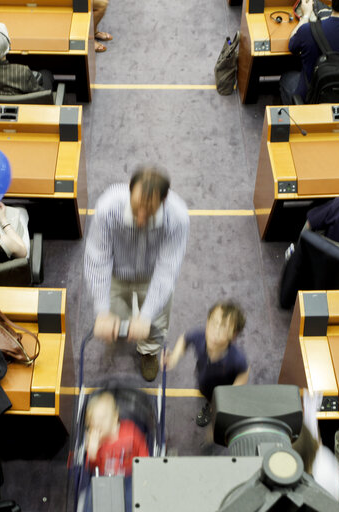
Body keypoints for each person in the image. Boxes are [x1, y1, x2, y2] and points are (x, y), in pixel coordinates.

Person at [84, 167, 190, 382]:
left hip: (152, 276)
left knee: (155, 322)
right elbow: (98, 259)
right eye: (136, 209)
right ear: (129, 192)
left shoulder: (177, 218)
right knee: (116, 319)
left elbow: (167, 269)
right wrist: (103, 312)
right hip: (116, 273)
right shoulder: (108, 208)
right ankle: (120, 332)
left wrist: (146, 315)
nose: (141, 218)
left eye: (148, 211)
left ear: (163, 200)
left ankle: (149, 352)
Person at [165, 301, 249, 427]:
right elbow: (185, 339)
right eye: (214, 323)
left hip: (220, 390)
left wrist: (228, 398)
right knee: (203, 389)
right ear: (207, 321)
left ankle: (211, 410)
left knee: (213, 402)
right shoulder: (200, 337)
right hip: (203, 376)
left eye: (224, 328)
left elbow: (244, 372)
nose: (216, 331)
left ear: (234, 335)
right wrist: (174, 357)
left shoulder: (236, 358)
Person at [280, 0, 339, 104]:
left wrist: (306, 16)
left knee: (287, 77)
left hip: (312, 100)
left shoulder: (307, 30)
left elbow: (292, 46)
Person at [85, 392, 148, 476]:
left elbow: (142, 450)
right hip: (107, 478)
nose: (97, 423)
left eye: (102, 418)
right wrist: (92, 454)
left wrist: (143, 469)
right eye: (92, 420)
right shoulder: (96, 442)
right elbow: (93, 470)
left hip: (132, 475)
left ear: (115, 418)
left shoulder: (130, 432)